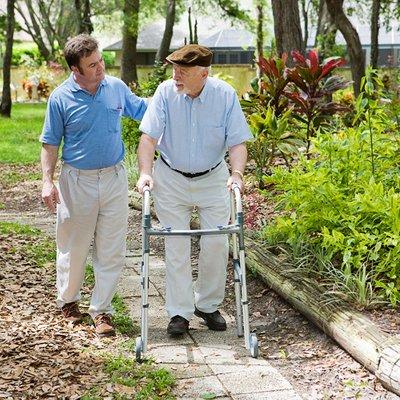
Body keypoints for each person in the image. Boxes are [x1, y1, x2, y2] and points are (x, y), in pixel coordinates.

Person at [136, 44, 252, 336]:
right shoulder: (164, 93)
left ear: (203, 73)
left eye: (182, 72)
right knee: (176, 246)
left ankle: (208, 305)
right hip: (171, 177)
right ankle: (179, 312)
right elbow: (148, 138)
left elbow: (238, 142)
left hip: (213, 177)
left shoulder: (224, 95)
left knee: (217, 243)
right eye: (174, 70)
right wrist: (145, 173)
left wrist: (237, 174)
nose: (176, 76)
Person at [40, 34, 147, 336]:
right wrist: (47, 182)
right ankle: (68, 302)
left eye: (101, 60)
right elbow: (50, 143)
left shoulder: (115, 88)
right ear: (76, 69)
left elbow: (143, 111)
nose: (100, 67)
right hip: (77, 182)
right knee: (74, 247)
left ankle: (102, 311)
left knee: (111, 249)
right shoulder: (61, 98)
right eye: (92, 64)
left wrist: (175, 98)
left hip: (114, 178)